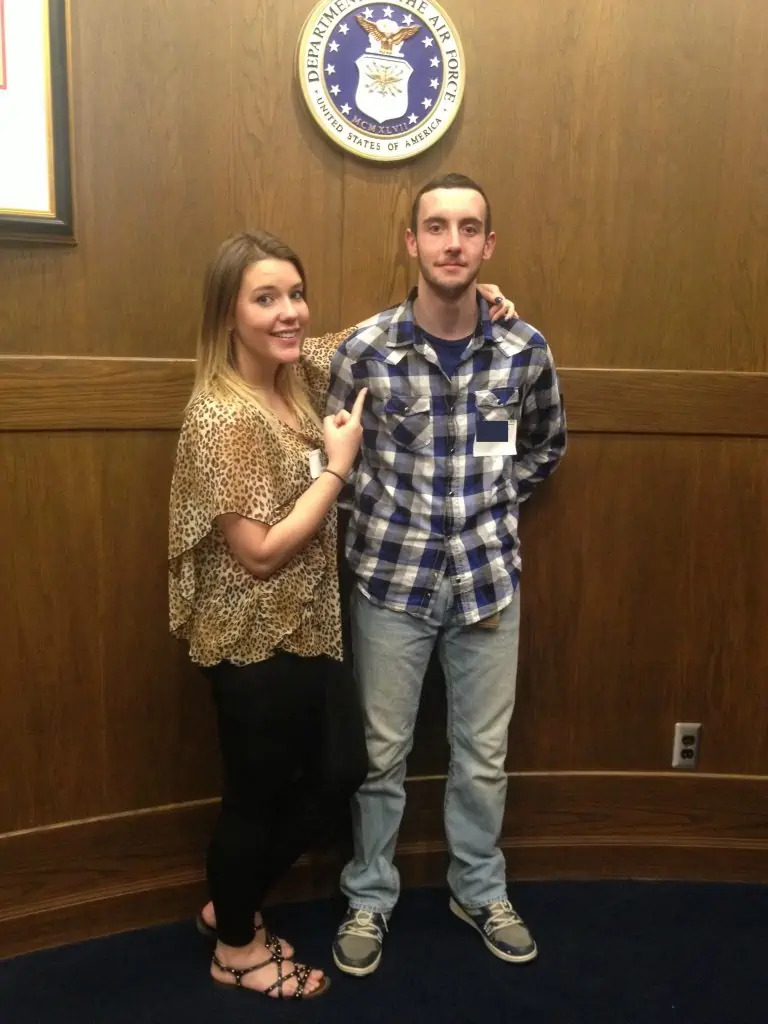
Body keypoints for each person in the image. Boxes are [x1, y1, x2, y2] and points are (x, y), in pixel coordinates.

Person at [168, 229, 516, 999]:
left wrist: (466, 294)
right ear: (227, 315)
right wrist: (336, 470)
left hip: (309, 629)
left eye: (295, 293)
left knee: (342, 772)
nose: (289, 312)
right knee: (254, 799)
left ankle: (230, 901)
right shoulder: (220, 417)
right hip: (248, 639)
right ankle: (237, 946)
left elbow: (374, 334)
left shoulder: (297, 375)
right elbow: (258, 553)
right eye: (266, 299)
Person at [327, 173, 567, 977]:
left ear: (488, 246)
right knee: (380, 754)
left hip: (488, 582)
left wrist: (494, 506)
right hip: (391, 585)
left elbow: (545, 444)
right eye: (437, 227)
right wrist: (388, 517)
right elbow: (332, 456)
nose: (453, 242)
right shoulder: (362, 350)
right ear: (412, 242)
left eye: (469, 229)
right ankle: (368, 896)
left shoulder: (524, 348)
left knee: (483, 755)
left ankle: (478, 887)